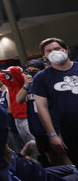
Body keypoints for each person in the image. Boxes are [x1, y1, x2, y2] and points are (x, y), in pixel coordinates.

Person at [33, 37, 78, 167]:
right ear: (45, 56)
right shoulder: (41, 78)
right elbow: (42, 107)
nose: (54, 52)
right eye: (49, 51)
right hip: (70, 133)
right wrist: (52, 134)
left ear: (66, 50)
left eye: (57, 48)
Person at [0, 66, 34, 145]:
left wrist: (16, 71)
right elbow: (0, 76)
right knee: (27, 142)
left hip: (25, 116)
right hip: (16, 118)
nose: (7, 75)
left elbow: (15, 72)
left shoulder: (21, 82)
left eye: (9, 73)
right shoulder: (10, 84)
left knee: (33, 141)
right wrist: (7, 73)